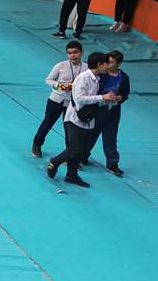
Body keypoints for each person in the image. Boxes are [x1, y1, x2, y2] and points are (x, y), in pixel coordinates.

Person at [46, 52, 117, 188]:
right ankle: (55, 161)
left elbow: (92, 100)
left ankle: (71, 175)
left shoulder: (96, 79)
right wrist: (102, 98)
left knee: (83, 149)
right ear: (100, 64)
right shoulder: (83, 78)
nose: (108, 66)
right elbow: (79, 99)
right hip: (75, 119)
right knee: (75, 148)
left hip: (88, 118)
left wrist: (107, 100)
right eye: (107, 63)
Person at [32, 41, 85, 157]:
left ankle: (70, 154)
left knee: (70, 129)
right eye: (69, 53)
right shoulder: (60, 66)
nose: (72, 55)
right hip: (57, 100)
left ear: (82, 53)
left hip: (74, 103)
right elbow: (48, 80)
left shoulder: (86, 68)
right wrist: (59, 86)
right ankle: (37, 144)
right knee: (47, 123)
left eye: (75, 52)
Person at [97, 50, 130, 177]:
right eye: (107, 61)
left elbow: (125, 93)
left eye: (111, 62)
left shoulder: (124, 77)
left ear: (118, 64)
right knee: (90, 135)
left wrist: (120, 98)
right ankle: (83, 155)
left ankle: (112, 163)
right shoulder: (101, 75)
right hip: (98, 109)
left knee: (111, 137)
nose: (108, 64)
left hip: (114, 111)